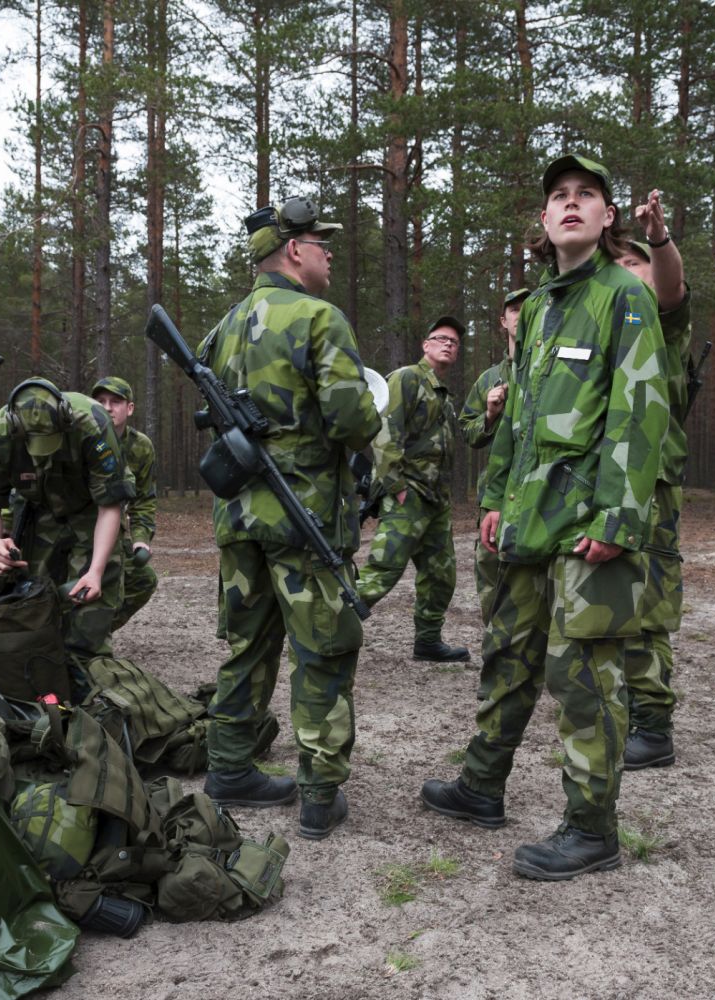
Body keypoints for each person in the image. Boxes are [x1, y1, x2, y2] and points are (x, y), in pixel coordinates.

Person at [419, 154, 669, 881]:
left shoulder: (625, 296)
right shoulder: (536, 309)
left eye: (585, 195)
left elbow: (639, 411)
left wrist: (618, 517)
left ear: (606, 216)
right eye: (558, 195)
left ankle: (591, 831)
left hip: (587, 523)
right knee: (509, 656)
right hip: (528, 518)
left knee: (583, 675)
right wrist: (495, 496)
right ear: (544, 217)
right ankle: (480, 786)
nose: (570, 204)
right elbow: (519, 418)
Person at [198, 196, 380, 841]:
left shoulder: (222, 327)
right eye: (322, 245)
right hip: (304, 518)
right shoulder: (319, 318)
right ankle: (319, 794)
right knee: (323, 649)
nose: (329, 255)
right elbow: (353, 420)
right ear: (295, 251)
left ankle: (229, 768)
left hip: (239, 515)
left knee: (247, 646)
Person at [0, 379, 131, 658]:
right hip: (36, 509)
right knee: (34, 596)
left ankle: (85, 662)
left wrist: (96, 571)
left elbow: (110, 505)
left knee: (90, 601)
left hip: (90, 509)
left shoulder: (92, 423)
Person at [613, 189, 692, 771]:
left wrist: (657, 240)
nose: (626, 271)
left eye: (633, 262)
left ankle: (653, 725)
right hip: (601, 480)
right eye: (617, 263)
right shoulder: (605, 322)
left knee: (647, 603)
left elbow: (670, 286)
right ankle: (621, 708)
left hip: (650, 482)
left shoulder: (659, 319)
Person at [355, 317, 469, 662]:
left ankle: (428, 641)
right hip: (408, 493)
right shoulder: (407, 378)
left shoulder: (443, 395)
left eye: (454, 342)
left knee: (441, 575)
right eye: (441, 338)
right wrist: (396, 485)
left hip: (435, 500)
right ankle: (326, 630)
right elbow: (385, 430)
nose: (448, 344)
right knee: (383, 570)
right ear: (425, 345)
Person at [458, 287, 529, 624]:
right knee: (493, 576)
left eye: (527, 309)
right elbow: (468, 433)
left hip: (542, 491)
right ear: (503, 321)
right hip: (498, 494)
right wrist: (489, 415)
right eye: (514, 310)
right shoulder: (490, 379)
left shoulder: (553, 369)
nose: (521, 315)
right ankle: (497, 644)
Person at [90, 376, 159, 631]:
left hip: (114, 535)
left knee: (142, 579)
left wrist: (141, 538)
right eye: (100, 402)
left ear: (129, 408)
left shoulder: (140, 447)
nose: (107, 408)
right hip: (77, 532)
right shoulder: (82, 439)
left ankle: (97, 633)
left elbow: (143, 499)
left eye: (115, 402)